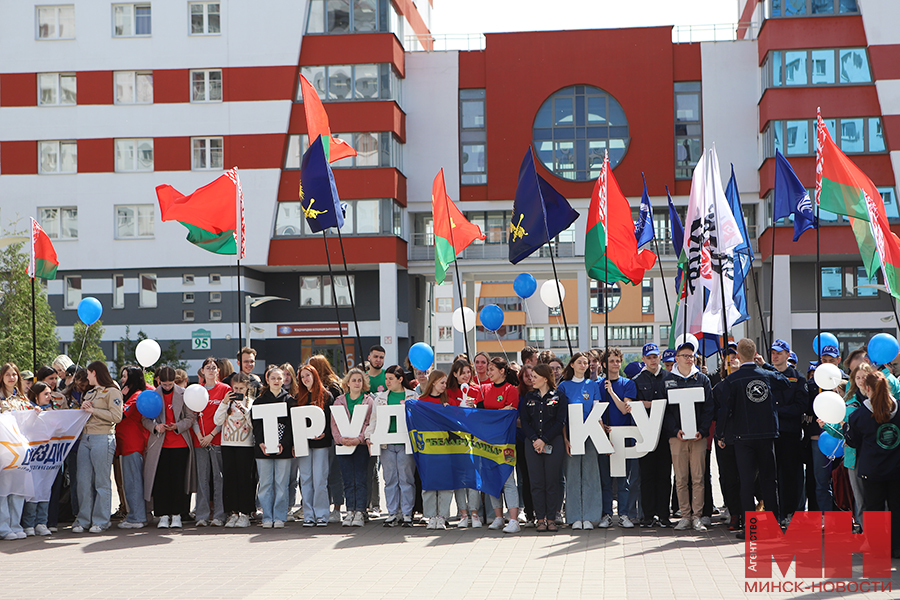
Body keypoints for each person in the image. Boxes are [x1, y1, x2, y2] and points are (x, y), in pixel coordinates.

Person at [714, 339, 790, 540]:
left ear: (738, 356)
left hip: (743, 437)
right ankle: (774, 525)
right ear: (755, 353)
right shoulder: (766, 375)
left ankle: (750, 529)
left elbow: (725, 410)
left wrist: (720, 434)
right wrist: (764, 365)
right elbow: (784, 382)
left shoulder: (732, 380)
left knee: (746, 482)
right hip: (766, 435)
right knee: (769, 481)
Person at [845, 370, 900, 557]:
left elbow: (851, 441)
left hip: (872, 470)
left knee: (874, 509)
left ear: (866, 388)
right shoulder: (898, 408)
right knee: (897, 508)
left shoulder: (859, 415)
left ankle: (878, 547)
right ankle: (897, 547)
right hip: (897, 468)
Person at [665, 341, 715, 532]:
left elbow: (709, 407)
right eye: (685, 355)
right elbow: (666, 410)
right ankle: (684, 516)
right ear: (676, 358)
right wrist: (674, 430)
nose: (689, 359)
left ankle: (697, 517)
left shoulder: (702, 379)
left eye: (691, 356)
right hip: (677, 438)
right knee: (681, 478)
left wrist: (702, 430)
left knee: (698, 478)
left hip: (697, 437)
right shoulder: (668, 380)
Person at [72, 361, 123, 533]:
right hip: (85, 438)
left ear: (95, 373)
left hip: (103, 437)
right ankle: (84, 519)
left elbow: (116, 416)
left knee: (101, 481)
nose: (87, 376)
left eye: (88, 373)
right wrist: (84, 407)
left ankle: (101, 520)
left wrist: (94, 411)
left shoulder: (113, 391)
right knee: (83, 480)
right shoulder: (90, 393)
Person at [143, 366, 196, 529]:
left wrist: (177, 425)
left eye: (170, 384)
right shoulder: (152, 395)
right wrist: (156, 426)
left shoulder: (183, 393)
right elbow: (145, 419)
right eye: (164, 384)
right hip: (160, 444)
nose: (167, 387)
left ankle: (178, 514)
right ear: (159, 381)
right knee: (161, 481)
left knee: (179, 481)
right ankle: (163, 515)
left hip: (180, 443)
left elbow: (190, 418)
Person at [366, 365, 417, 527]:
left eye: (390, 379)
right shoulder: (380, 398)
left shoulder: (412, 396)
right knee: (390, 479)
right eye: (386, 379)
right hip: (387, 443)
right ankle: (393, 512)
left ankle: (407, 513)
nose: (387, 382)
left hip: (405, 443)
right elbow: (374, 419)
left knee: (406, 478)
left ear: (400, 379)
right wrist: (369, 436)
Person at [520, 364, 568, 532]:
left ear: (545, 378)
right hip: (532, 444)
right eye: (531, 376)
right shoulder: (528, 397)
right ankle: (540, 518)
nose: (531, 379)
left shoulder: (559, 396)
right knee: (536, 482)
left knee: (552, 481)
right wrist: (535, 439)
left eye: (535, 376)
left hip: (553, 443)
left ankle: (551, 518)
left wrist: (544, 439)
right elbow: (524, 422)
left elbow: (560, 421)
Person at [827, 363, 874, 532]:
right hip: (853, 455)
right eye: (858, 377)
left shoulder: (877, 400)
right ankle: (863, 528)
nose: (861, 381)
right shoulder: (848, 401)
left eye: (864, 377)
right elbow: (841, 431)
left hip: (873, 455)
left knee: (875, 496)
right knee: (859, 496)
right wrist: (827, 426)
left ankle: (878, 530)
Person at [557, 352, 602, 529]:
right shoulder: (563, 386)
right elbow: (561, 417)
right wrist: (565, 439)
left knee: (591, 475)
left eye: (586, 362)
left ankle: (590, 517)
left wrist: (602, 436)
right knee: (573, 476)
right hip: (572, 436)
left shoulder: (593, 385)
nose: (584, 365)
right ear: (572, 365)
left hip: (590, 435)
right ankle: (574, 516)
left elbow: (597, 411)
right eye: (580, 362)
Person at [634, 343, 675, 528]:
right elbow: (634, 405)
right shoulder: (637, 380)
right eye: (648, 357)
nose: (652, 360)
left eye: (655, 356)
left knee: (664, 475)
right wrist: (647, 404)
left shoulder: (670, 377)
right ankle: (648, 515)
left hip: (666, 433)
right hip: (645, 434)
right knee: (647, 476)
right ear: (643, 359)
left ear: (659, 357)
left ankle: (664, 515)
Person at [769, 340, 809, 526]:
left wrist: (777, 410)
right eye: (773, 353)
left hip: (790, 434)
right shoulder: (767, 376)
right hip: (770, 434)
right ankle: (775, 512)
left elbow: (801, 406)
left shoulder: (797, 378)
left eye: (779, 352)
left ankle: (791, 512)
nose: (775, 356)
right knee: (772, 475)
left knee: (790, 475)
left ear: (787, 354)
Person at [598, 347, 639, 529]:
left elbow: (624, 409)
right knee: (606, 479)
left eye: (618, 361)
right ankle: (607, 514)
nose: (615, 364)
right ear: (604, 364)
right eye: (612, 361)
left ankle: (623, 514)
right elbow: (595, 412)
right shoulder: (598, 384)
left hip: (624, 437)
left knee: (623, 480)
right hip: (605, 436)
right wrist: (601, 427)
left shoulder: (628, 384)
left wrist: (612, 392)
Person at [480, 356, 521, 533]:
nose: (488, 373)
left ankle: (513, 519)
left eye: (491, 369)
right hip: (487, 442)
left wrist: (495, 414)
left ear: (502, 371)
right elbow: (478, 412)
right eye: (488, 370)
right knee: (491, 478)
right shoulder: (484, 389)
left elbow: (510, 413)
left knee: (508, 479)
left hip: (505, 442)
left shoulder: (510, 390)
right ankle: (498, 517)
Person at [251, 366, 296, 528]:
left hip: (283, 449)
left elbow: (292, 426)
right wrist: (261, 442)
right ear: (267, 380)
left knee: (281, 484)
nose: (277, 381)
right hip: (263, 449)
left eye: (279, 378)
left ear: (284, 380)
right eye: (273, 378)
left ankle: (280, 516)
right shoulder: (259, 401)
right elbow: (256, 426)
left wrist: (284, 444)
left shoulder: (290, 401)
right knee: (265, 484)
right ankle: (267, 517)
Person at [331, 368, 373, 528]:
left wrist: (359, 439)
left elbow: (370, 422)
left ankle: (360, 511)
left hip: (360, 446)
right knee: (348, 480)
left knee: (361, 479)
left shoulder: (368, 401)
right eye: (354, 380)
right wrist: (341, 439)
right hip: (343, 446)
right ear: (347, 383)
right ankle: (350, 511)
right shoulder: (339, 401)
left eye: (360, 380)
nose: (357, 383)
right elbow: (334, 424)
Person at [214, 372, 255, 528]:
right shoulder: (227, 403)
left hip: (245, 445)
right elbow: (217, 420)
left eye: (241, 388)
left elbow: (254, 424)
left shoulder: (251, 402)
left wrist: (245, 409)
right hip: (228, 445)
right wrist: (224, 403)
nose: (238, 391)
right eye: (235, 388)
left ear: (247, 388)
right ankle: (233, 513)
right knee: (230, 479)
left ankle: (245, 513)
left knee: (244, 479)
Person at [192, 357, 230, 527]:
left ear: (218, 371)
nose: (211, 370)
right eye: (208, 367)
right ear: (202, 371)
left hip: (218, 440)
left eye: (214, 367)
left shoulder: (225, 389)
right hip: (199, 441)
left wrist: (212, 434)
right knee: (202, 479)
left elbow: (227, 415)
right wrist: (200, 435)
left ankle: (219, 515)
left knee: (218, 478)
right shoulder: (195, 390)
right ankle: (201, 515)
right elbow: (192, 417)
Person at [308, 354, 345, 524]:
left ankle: (337, 507)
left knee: (333, 472)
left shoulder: (332, 387)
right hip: (323, 436)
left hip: (330, 436)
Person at [446, 359, 483, 528]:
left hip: (473, 438)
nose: (467, 376)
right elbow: (448, 413)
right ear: (455, 374)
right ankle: (463, 514)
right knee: (459, 476)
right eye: (463, 373)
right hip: (454, 438)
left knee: (474, 475)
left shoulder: (477, 390)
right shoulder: (448, 391)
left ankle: (475, 513)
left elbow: (483, 413)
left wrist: (475, 407)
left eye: (469, 372)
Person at [296, 364, 334, 527]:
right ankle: (308, 514)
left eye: (308, 375)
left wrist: (325, 432)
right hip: (303, 444)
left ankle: (322, 514)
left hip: (321, 444)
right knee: (305, 479)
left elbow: (331, 420)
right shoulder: (298, 397)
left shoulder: (326, 396)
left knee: (319, 479)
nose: (305, 379)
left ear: (315, 376)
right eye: (302, 377)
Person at [417, 370, 455, 530]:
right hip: (428, 450)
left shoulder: (448, 401)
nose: (444, 386)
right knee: (429, 483)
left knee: (446, 483)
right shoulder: (421, 401)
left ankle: (442, 516)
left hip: (446, 449)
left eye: (445, 383)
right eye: (442, 383)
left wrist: (449, 412)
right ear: (433, 382)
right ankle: (431, 516)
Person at [115, 365, 149, 529]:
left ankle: (137, 517)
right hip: (126, 443)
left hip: (133, 444)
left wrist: (119, 397)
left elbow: (120, 414)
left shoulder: (136, 395)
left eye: (125, 376)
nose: (122, 379)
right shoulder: (131, 395)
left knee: (133, 481)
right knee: (130, 481)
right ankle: (136, 515)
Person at [21, 382, 55, 536]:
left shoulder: (51, 411)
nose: (49, 397)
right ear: (36, 396)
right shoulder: (28, 409)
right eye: (45, 394)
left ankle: (42, 522)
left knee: (45, 488)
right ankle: (29, 523)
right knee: (32, 489)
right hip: (33, 457)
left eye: (50, 394)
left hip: (47, 458)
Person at [0, 364, 28, 540]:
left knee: (18, 488)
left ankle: (16, 525)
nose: (11, 378)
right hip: (3, 449)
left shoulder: (23, 400)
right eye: (7, 375)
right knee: (3, 490)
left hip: (20, 450)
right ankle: (4, 527)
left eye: (14, 374)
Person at [364, 345, 386, 517]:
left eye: (381, 357)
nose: (378, 360)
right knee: (368, 467)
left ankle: (376, 505)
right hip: (364, 426)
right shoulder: (361, 378)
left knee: (378, 469)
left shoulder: (387, 376)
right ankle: (366, 505)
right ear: (369, 357)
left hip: (384, 427)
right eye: (376, 356)